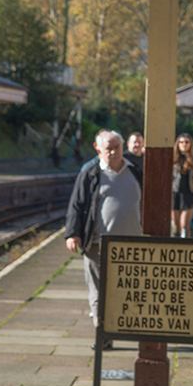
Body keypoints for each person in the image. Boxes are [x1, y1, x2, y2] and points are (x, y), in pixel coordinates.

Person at [64, 129, 143, 337]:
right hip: (98, 244)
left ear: (123, 146)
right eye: (108, 148)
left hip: (132, 244)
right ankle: (103, 334)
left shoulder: (135, 172)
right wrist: (73, 234)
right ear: (98, 149)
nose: (114, 152)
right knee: (99, 291)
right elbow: (77, 205)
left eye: (117, 147)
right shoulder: (90, 174)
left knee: (127, 291)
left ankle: (123, 328)